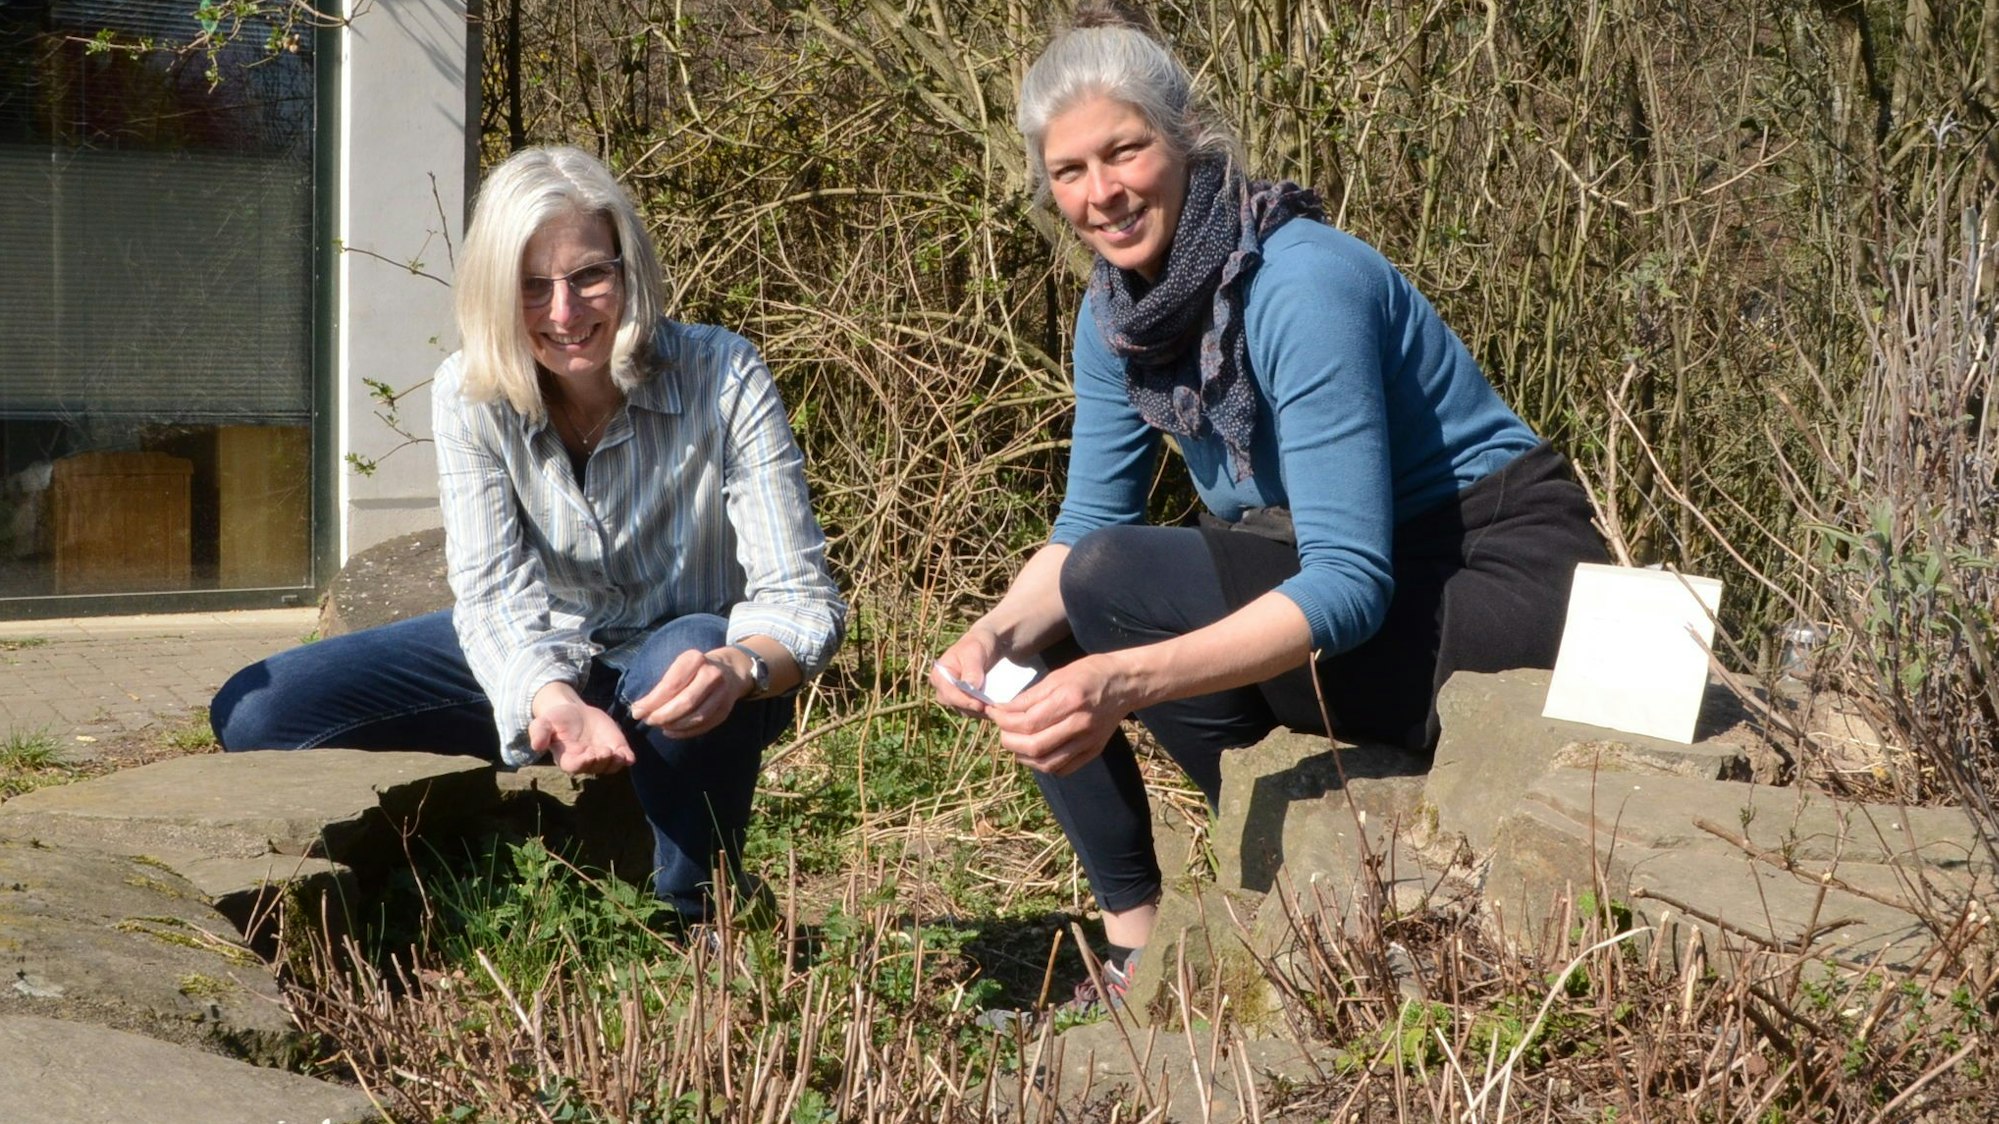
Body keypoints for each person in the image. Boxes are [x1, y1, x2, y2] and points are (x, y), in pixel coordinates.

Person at [929, 7, 1606, 1005]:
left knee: (1115, 590)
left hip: (1498, 574)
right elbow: (1081, 530)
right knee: (1056, 630)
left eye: (1124, 151)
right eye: (1069, 171)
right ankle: (1139, 946)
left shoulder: (1299, 283)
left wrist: (1128, 679)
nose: (1102, 192)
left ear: (1188, 139)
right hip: (1354, 575)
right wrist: (987, 639)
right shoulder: (1117, 313)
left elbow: (1348, 584)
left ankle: (1324, 870)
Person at [213, 145, 846, 926]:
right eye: (530, 286)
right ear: (491, 292)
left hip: (688, 666)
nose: (564, 312)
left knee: (682, 651)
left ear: (629, 269)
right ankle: (483, 853)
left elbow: (798, 594)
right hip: (542, 647)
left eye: (589, 276)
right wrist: (547, 695)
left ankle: (694, 915)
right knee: (259, 715)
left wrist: (739, 666)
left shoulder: (723, 374)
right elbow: (489, 592)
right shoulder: (467, 391)